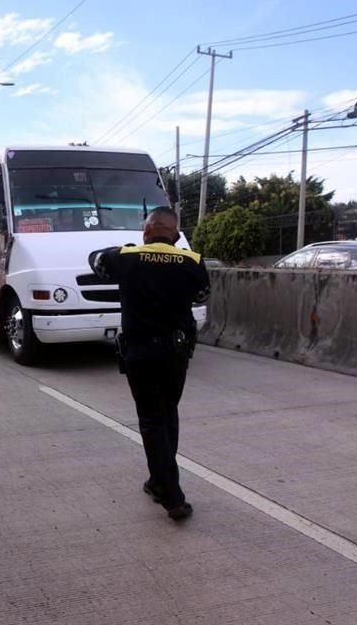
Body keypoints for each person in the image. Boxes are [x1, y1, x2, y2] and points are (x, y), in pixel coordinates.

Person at [88, 207, 210, 521]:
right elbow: (200, 295)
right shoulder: (192, 261)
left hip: (141, 353)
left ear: (146, 231)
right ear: (176, 232)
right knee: (168, 414)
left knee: (152, 419)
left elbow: (95, 261)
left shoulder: (126, 257)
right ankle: (159, 481)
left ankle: (172, 496)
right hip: (176, 352)